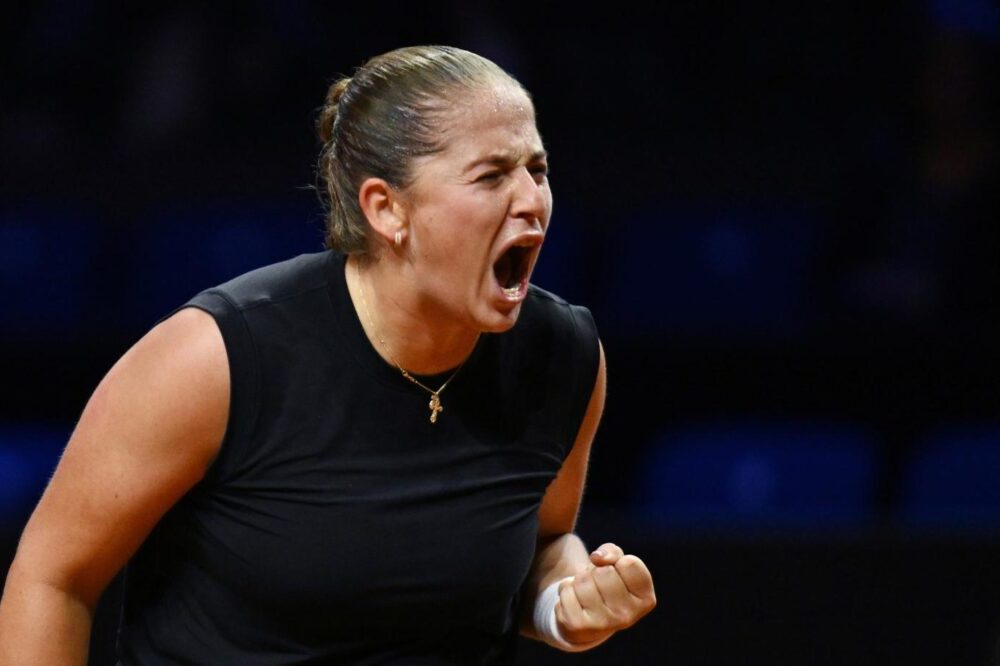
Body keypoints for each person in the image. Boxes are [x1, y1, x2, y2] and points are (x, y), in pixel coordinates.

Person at [0, 45, 656, 664]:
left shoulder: (560, 354)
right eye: (491, 177)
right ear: (387, 210)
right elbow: (53, 577)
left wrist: (563, 604)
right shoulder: (214, 358)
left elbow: (540, 543)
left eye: (537, 170)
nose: (533, 201)